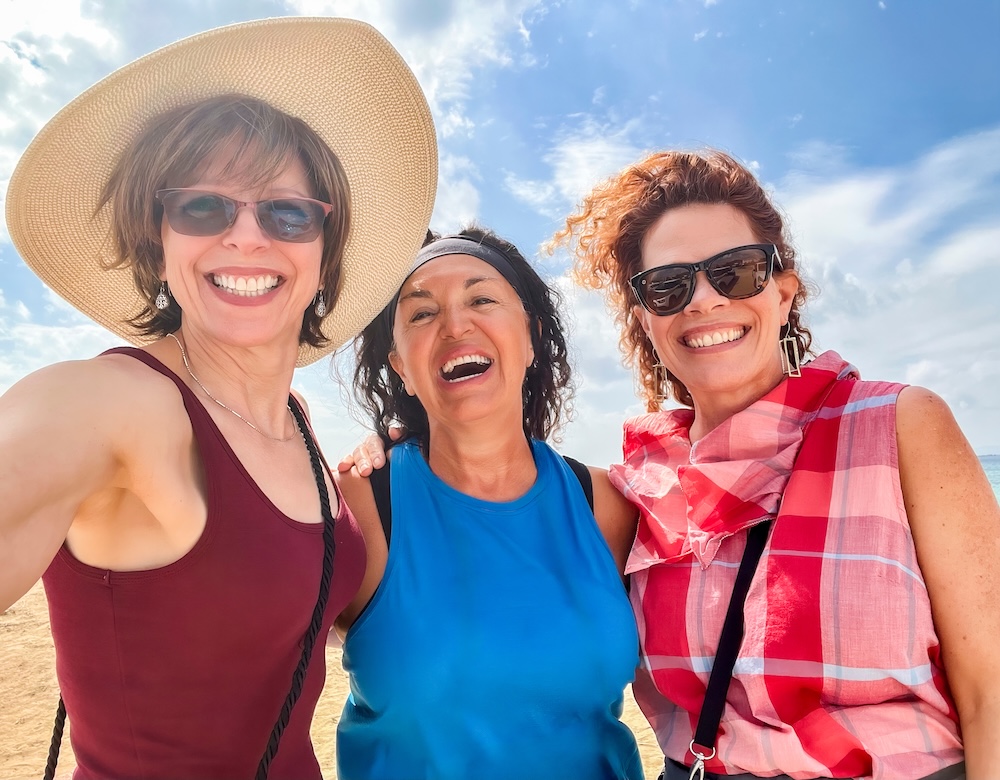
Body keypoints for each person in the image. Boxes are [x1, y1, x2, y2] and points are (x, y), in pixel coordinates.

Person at [0, 17, 436, 780]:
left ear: (324, 255)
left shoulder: (299, 422)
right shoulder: (109, 403)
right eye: (203, 208)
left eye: (287, 213)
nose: (246, 237)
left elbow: (287, 620)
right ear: (157, 244)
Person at [551, 149, 1000, 780]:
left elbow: (990, 688)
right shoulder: (638, 488)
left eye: (735, 272)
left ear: (784, 294)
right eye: (669, 285)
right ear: (645, 319)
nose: (704, 300)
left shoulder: (897, 426)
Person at [334, 226, 644, 779]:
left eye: (481, 300)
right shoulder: (358, 508)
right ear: (401, 366)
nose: (455, 325)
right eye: (421, 313)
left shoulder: (608, 507)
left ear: (531, 337)